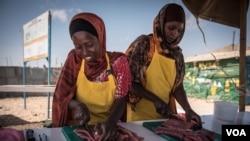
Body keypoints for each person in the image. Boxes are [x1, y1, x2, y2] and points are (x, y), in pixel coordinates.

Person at [52, 12, 131, 140]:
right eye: (78, 47)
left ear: (100, 38)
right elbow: (61, 96)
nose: (84, 52)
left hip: (107, 127)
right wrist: (77, 106)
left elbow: (121, 99)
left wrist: (110, 122)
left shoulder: (118, 62)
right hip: (78, 128)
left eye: (90, 45)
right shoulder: (74, 58)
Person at [125, 3, 202, 129]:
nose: (175, 34)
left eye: (179, 30)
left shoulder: (178, 55)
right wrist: (155, 100)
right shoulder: (145, 44)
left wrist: (188, 109)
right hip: (138, 117)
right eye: (171, 28)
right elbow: (130, 82)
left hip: (164, 117)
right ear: (160, 23)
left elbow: (177, 87)